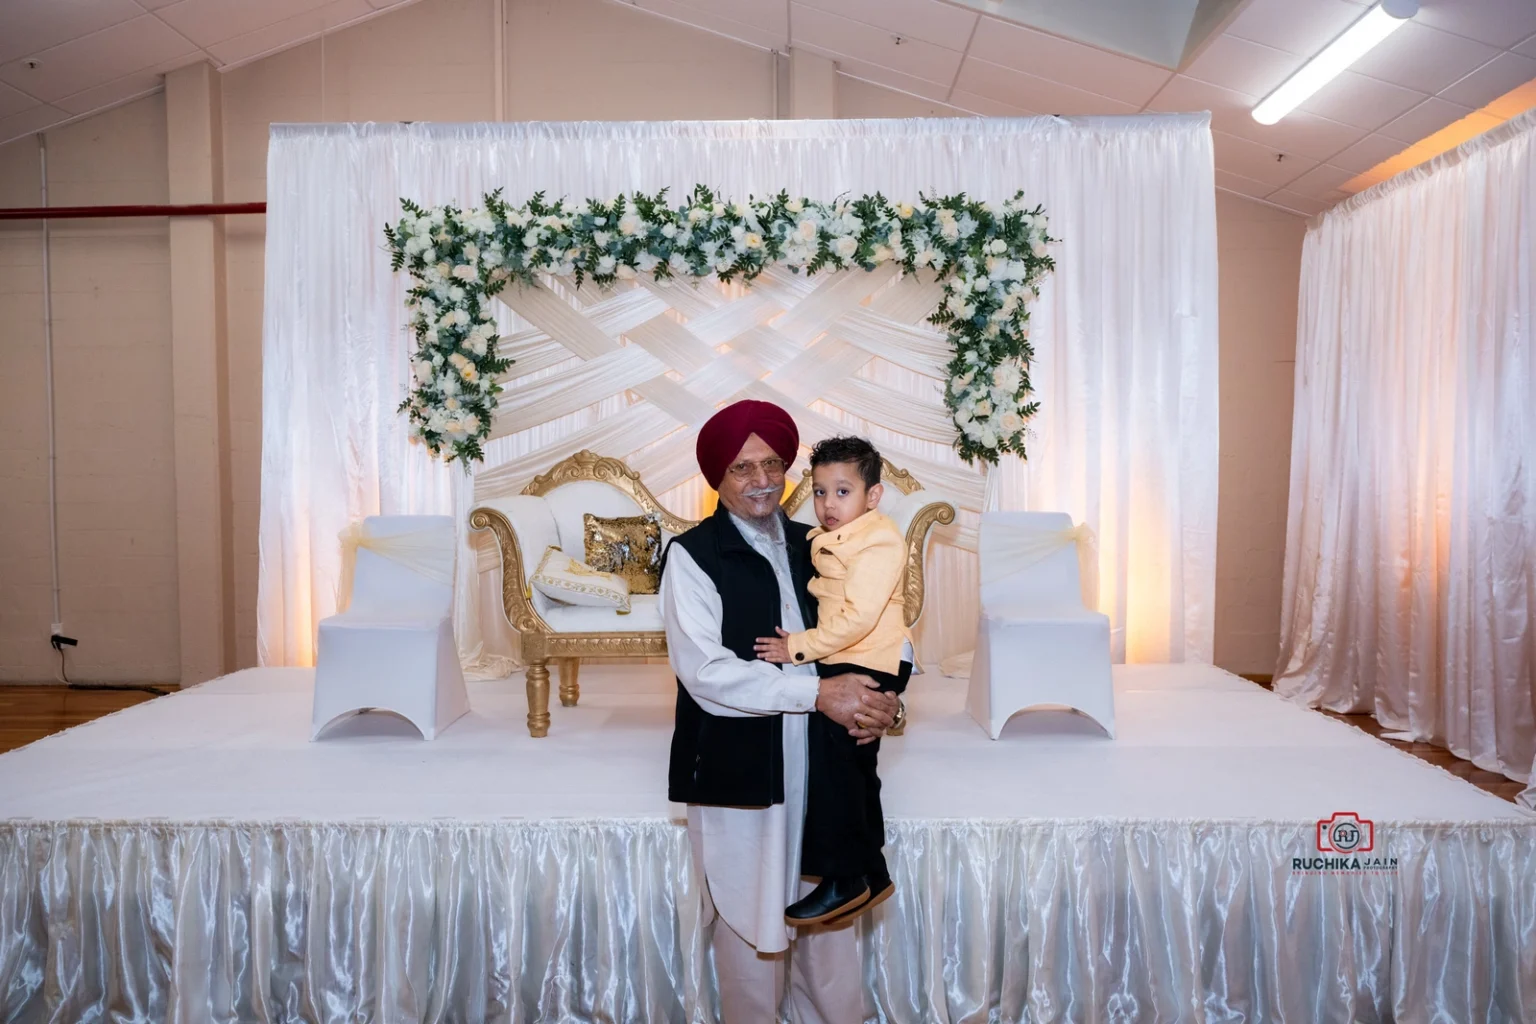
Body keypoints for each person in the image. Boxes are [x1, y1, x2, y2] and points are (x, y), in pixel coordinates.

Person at [660, 399, 899, 1024]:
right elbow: (706, 675)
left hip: (823, 767)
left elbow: (877, 628)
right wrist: (815, 692)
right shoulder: (692, 557)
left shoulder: (820, 542)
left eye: (773, 464)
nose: (762, 480)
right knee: (750, 935)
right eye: (742, 468)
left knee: (828, 935)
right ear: (716, 476)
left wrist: (886, 701)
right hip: (742, 780)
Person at [754, 436, 911, 927]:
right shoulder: (838, 536)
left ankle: (844, 877)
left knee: (836, 768)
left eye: (842, 492)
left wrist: (795, 646)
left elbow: (859, 618)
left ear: (874, 496)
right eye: (820, 492)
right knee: (858, 765)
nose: (828, 504)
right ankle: (873, 871)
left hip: (866, 656)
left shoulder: (880, 541)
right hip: (855, 655)